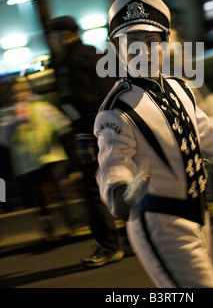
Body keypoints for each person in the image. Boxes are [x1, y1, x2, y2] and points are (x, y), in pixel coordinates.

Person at [94, 0, 213, 288]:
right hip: (159, 220)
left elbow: (203, 132)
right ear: (116, 50)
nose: (143, 51)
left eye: (152, 42)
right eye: (132, 43)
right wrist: (119, 190)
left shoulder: (179, 88)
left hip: (198, 213)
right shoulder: (116, 110)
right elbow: (113, 162)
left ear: (165, 45)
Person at [47, 16, 124, 268]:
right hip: (113, 126)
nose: (52, 41)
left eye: (54, 36)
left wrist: (83, 133)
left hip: (91, 130)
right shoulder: (94, 54)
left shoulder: (73, 61)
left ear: (64, 35)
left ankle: (108, 245)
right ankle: (145, 233)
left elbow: (82, 100)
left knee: (92, 189)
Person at [0, 77, 78, 237]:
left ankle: (72, 221)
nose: (21, 95)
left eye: (24, 90)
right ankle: (47, 223)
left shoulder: (41, 106)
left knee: (60, 186)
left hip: (51, 155)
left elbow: (63, 125)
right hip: (28, 162)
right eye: (17, 92)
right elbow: (4, 140)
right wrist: (15, 121)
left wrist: (60, 123)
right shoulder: (7, 114)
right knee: (38, 195)